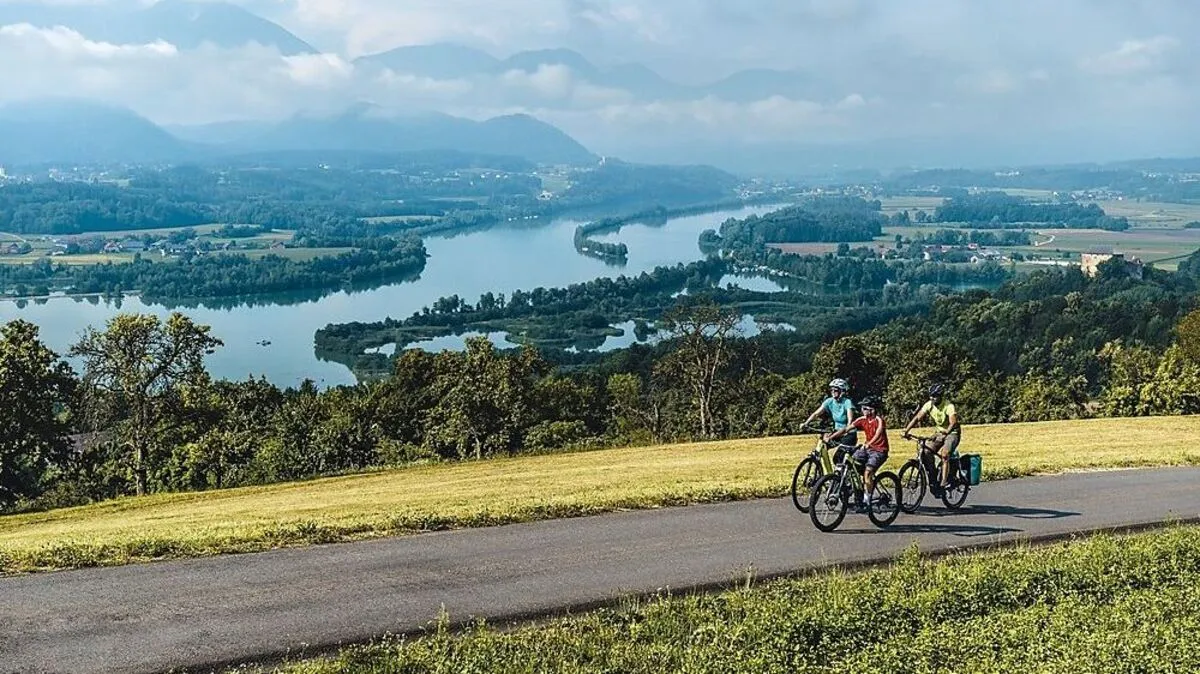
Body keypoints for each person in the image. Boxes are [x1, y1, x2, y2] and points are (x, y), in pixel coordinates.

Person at [830, 395, 889, 510]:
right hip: (866, 449)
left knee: (867, 473)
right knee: (849, 464)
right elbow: (846, 429)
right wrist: (832, 437)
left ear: (872, 410)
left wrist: (869, 443)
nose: (862, 410)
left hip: (879, 451)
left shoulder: (879, 420)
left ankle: (867, 500)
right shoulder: (862, 420)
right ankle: (856, 492)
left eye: (864, 408)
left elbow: (878, 433)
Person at [902, 383, 960, 492]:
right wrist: (906, 430)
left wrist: (947, 431)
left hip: (952, 433)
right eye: (931, 396)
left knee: (945, 454)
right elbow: (917, 418)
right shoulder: (929, 405)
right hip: (939, 433)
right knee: (925, 451)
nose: (932, 398)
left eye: (935, 396)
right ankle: (933, 478)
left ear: (940, 396)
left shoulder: (949, 406)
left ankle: (943, 482)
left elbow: (953, 422)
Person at [803, 378, 856, 449]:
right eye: (831, 390)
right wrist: (806, 423)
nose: (833, 392)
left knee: (838, 457)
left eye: (836, 390)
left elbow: (850, 421)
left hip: (848, 434)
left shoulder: (847, 402)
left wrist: (845, 430)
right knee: (822, 447)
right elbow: (816, 414)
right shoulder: (829, 401)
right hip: (837, 431)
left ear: (842, 391)